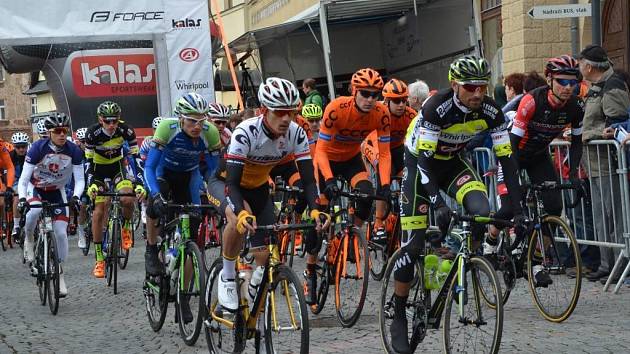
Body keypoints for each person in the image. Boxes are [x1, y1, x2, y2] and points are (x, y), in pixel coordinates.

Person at [390, 55, 525, 353]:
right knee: (413, 246)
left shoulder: (491, 111)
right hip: (420, 168)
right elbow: (423, 162)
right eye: (469, 87)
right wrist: (438, 203)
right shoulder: (435, 108)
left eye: (482, 86)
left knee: (482, 212)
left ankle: (460, 268)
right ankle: (399, 311)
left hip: (453, 164)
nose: (477, 93)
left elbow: (507, 160)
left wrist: (518, 209)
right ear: (454, 85)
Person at [216, 77, 329, 311]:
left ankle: (250, 290)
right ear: (265, 110)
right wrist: (240, 211)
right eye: (279, 112)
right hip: (225, 183)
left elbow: (308, 180)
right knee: (239, 218)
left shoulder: (296, 133)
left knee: (265, 255)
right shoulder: (245, 132)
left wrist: (316, 208)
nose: (287, 118)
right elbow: (232, 184)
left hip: (258, 188)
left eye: (291, 112)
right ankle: (227, 276)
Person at [488, 55, 584, 286]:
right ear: (549, 79)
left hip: (538, 156)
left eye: (573, 83)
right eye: (562, 81)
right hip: (513, 154)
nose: (568, 88)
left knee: (553, 208)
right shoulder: (531, 101)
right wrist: (513, 182)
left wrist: (572, 177)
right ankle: (490, 240)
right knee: (511, 206)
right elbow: (511, 144)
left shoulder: (576, 106)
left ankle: (538, 260)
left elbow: (577, 142)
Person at [306, 68, 391, 304]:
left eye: (375, 94)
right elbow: (321, 151)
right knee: (319, 215)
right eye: (365, 93)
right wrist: (330, 180)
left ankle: (351, 234)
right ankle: (311, 272)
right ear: (354, 91)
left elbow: (383, 154)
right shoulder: (336, 109)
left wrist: (384, 184)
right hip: (327, 162)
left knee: (367, 195)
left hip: (351, 160)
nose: (371, 99)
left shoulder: (381, 113)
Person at [144, 92, 221, 325]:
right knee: (155, 207)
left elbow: (214, 173)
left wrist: (217, 199)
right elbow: (149, 166)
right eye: (191, 121)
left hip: (189, 178)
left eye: (201, 120)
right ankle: (151, 248)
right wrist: (155, 195)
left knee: (193, 237)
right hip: (163, 174)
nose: (197, 126)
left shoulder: (211, 133)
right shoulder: (167, 128)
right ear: (180, 119)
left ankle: (184, 297)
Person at [578, 44, 630, 284]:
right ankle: (606, 263)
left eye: (580, 64)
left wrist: (589, 135)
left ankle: (620, 263)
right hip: (595, 164)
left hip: (609, 163)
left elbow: (618, 124)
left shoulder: (612, 86)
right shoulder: (596, 88)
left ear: (589, 66)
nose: (580, 68)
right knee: (601, 216)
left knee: (615, 216)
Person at [17, 112, 84, 297]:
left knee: (61, 233)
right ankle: (29, 239)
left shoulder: (74, 150)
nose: (62, 134)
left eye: (65, 131)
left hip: (57, 191)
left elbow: (80, 180)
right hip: (36, 187)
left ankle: (60, 273)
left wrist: (76, 197)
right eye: (58, 131)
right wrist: (23, 198)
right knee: (33, 212)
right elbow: (23, 180)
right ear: (50, 132)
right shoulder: (37, 148)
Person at [84, 101, 145, 278]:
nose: (111, 125)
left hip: (117, 167)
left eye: (115, 121)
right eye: (107, 121)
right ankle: (99, 258)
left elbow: (136, 158)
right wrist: (91, 184)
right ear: (100, 120)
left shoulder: (126, 130)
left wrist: (139, 183)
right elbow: (87, 162)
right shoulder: (92, 133)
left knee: (127, 198)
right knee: (99, 212)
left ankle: (126, 227)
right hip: (98, 171)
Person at [361, 78, 416, 243]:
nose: (401, 105)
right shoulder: (377, 112)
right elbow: (371, 142)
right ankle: (378, 223)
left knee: (408, 180)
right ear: (386, 100)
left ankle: (404, 215)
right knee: (383, 178)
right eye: (396, 101)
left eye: (404, 101)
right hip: (374, 146)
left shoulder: (411, 115)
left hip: (396, 149)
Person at [9, 132, 30, 239]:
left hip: (30, 181)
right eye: (18, 147)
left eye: (24, 146)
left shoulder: (31, 154)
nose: (21, 149)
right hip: (16, 181)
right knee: (17, 197)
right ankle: (16, 226)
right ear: (14, 146)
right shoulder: (10, 156)